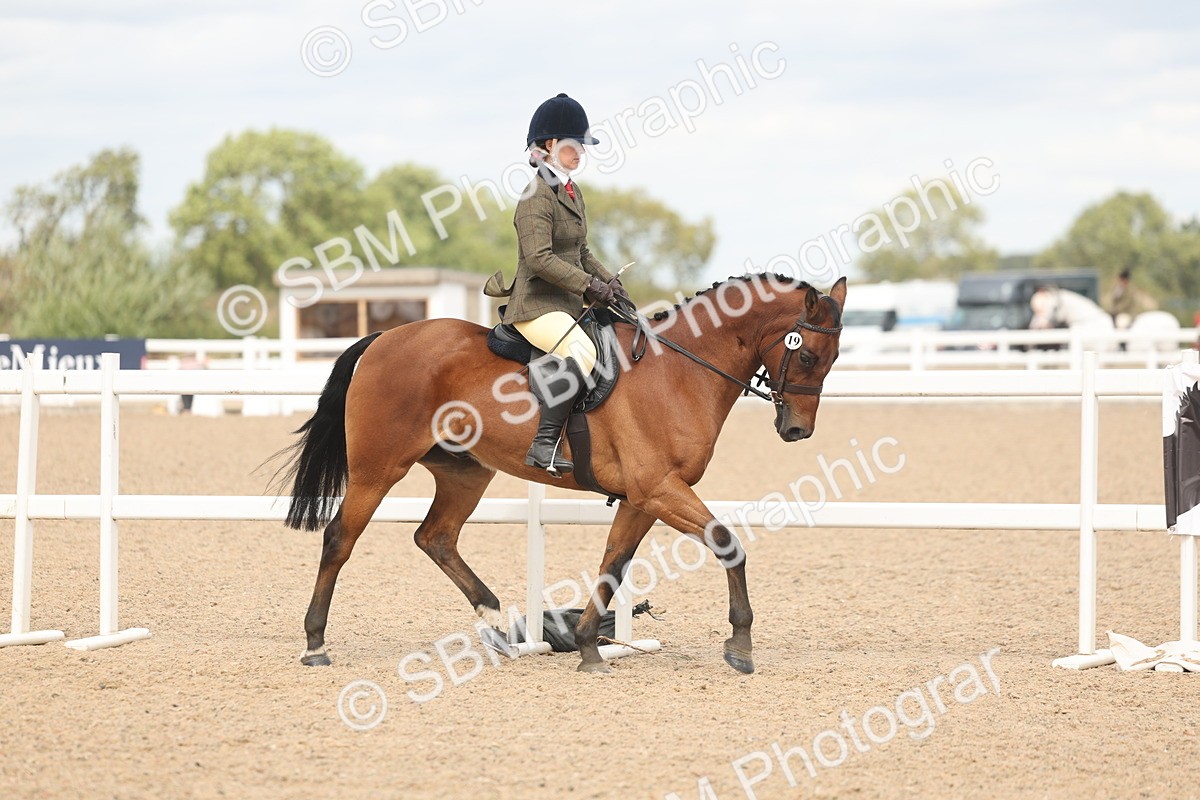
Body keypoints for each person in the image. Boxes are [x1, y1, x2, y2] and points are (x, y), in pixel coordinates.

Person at [484, 93, 631, 477]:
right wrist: (588, 285)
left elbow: (581, 250)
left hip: (566, 301)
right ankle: (544, 444)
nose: (580, 152)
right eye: (572, 145)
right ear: (549, 146)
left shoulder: (571, 191)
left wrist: (610, 284)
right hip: (535, 306)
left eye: (581, 145)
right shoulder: (535, 196)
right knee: (583, 350)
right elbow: (539, 259)